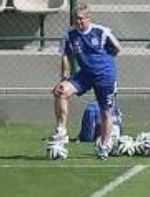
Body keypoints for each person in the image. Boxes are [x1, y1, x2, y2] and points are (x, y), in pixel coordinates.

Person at [51, 3, 122, 160]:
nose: (79, 22)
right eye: (76, 19)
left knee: (105, 112)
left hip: (104, 76)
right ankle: (61, 131)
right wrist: (64, 78)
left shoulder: (101, 32)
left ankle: (104, 145)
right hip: (84, 75)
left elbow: (117, 47)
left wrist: (104, 62)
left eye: (81, 19)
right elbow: (65, 55)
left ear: (88, 18)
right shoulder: (69, 35)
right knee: (61, 91)